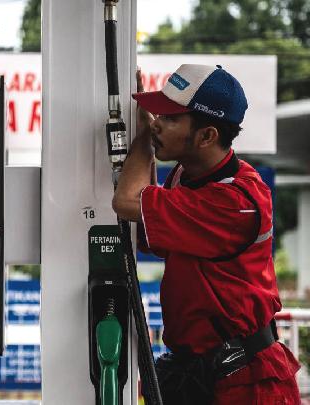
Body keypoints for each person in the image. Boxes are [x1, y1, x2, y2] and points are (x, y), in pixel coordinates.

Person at [112, 64, 301, 404]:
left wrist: (142, 140)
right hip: (203, 374)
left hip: (248, 384)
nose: (157, 123)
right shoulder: (186, 176)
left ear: (207, 136)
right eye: (158, 115)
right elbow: (148, 230)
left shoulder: (235, 202)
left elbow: (127, 202)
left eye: (170, 118)